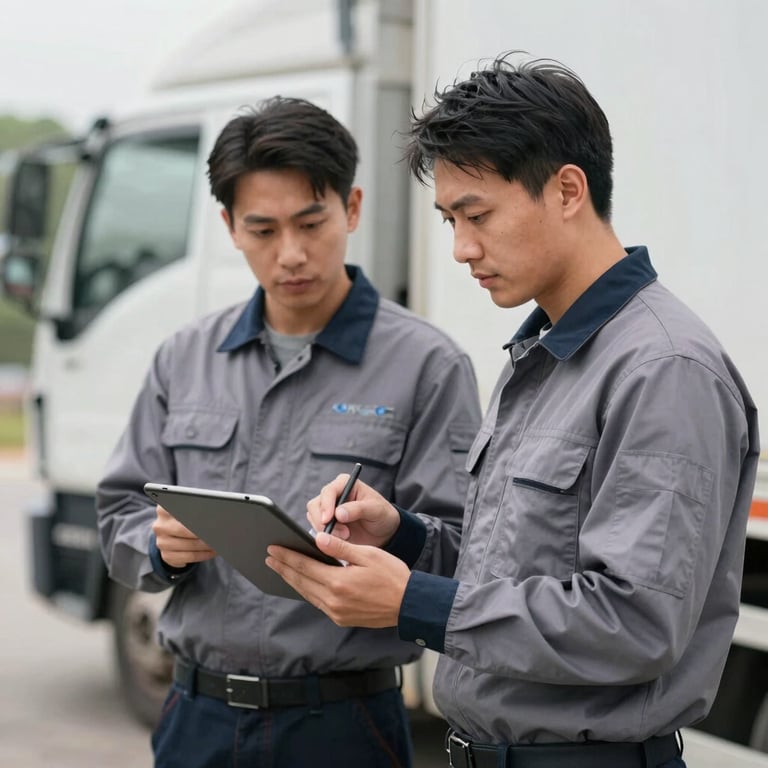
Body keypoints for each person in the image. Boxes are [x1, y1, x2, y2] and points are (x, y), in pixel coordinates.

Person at [265, 54, 760, 768]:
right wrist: (402, 537)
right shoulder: (540, 357)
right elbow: (514, 568)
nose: (463, 248)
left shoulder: (663, 370)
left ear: (566, 190)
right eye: (449, 219)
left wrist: (415, 604)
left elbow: (635, 621)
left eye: (478, 215)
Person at [96, 96, 482, 768]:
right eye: (263, 230)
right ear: (229, 226)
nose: (292, 254)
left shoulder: (428, 365)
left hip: (345, 727)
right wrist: (159, 546)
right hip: (196, 722)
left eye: (312, 222)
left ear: (352, 208)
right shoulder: (183, 359)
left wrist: (394, 531)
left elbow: (471, 556)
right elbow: (118, 517)